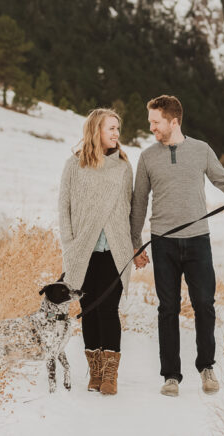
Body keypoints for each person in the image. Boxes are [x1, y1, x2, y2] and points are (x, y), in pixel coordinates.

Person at [130, 95, 224, 397]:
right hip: (163, 243)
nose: (151, 128)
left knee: (205, 306)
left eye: (156, 122)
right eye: (150, 123)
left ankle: (207, 366)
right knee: (167, 309)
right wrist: (135, 244)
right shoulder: (147, 157)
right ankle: (171, 375)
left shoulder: (201, 150)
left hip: (198, 241)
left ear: (174, 121)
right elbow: (139, 202)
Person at [58, 108, 134, 396]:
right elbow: (63, 208)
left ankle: (110, 375)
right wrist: (70, 245)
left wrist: (134, 245)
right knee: (88, 310)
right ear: (95, 131)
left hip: (115, 251)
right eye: (110, 128)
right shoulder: (74, 165)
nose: (116, 133)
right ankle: (95, 371)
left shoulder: (124, 167)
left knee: (108, 309)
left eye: (117, 128)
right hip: (83, 252)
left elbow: (129, 209)